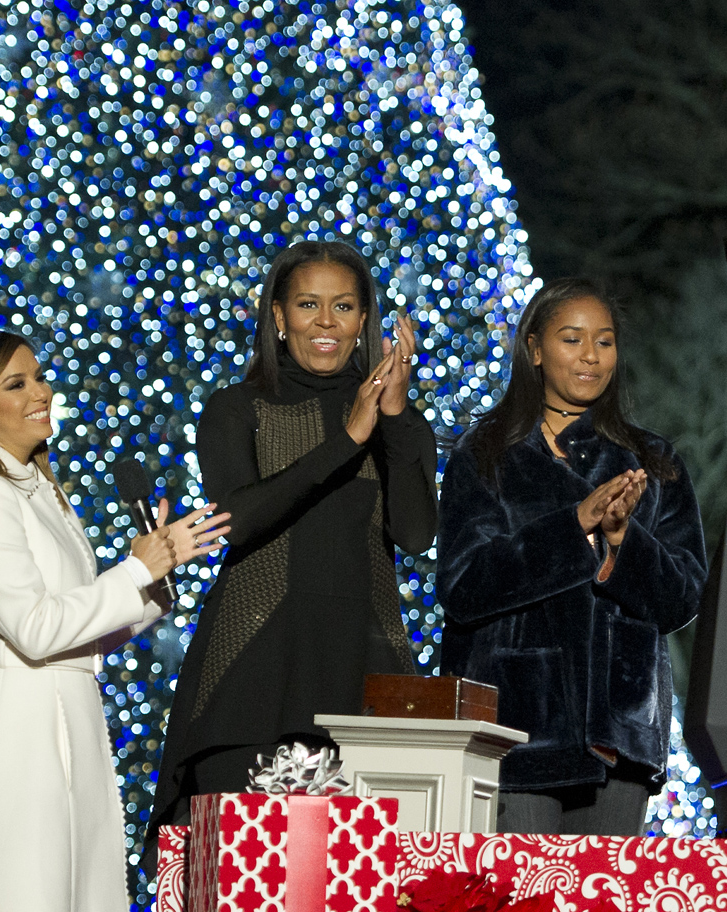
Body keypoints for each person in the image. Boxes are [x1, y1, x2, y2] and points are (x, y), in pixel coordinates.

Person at [0, 329, 229, 912]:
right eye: (17, 383)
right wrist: (134, 571)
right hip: (16, 726)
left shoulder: (38, 489)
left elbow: (78, 632)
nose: (41, 391)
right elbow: (34, 629)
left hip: (66, 714)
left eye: (38, 376)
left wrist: (156, 578)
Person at [147, 240, 438, 851]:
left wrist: (394, 415)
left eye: (345, 306)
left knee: (362, 885)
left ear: (366, 321)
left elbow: (416, 533)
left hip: (363, 684)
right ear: (278, 317)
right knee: (243, 881)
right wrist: (346, 439)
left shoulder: (392, 419)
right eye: (308, 305)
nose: (327, 323)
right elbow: (238, 519)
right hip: (254, 679)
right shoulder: (237, 408)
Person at [437, 279, 707, 835]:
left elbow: (682, 597)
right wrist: (573, 526)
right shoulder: (484, 454)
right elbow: (464, 588)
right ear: (534, 349)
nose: (591, 355)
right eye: (572, 338)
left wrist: (621, 540)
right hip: (515, 734)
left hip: (622, 733)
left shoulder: (653, 461)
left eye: (604, 341)